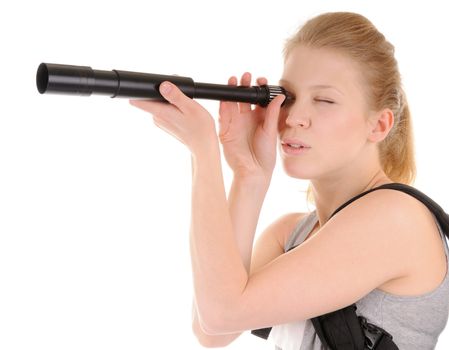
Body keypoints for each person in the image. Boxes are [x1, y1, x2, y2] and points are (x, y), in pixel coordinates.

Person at [130, 11, 449, 350]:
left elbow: (222, 312)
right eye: (289, 98)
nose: (294, 118)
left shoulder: (397, 218)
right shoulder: (291, 234)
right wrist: (248, 174)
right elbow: (212, 330)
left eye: (324, 100)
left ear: (379, 125)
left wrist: (204, 150)